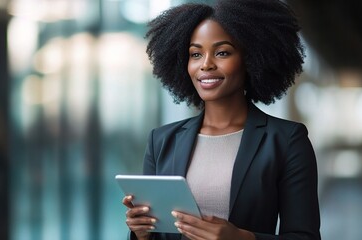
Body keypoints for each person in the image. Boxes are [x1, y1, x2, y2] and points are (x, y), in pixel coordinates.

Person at [122, 0, 321, 239]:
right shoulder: (162, 140)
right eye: (195, 54)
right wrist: (140, 232)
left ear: (251, 59)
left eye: (222, 52)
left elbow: (305, 236)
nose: (206, 64)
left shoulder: (286, 140)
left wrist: (241, 238)